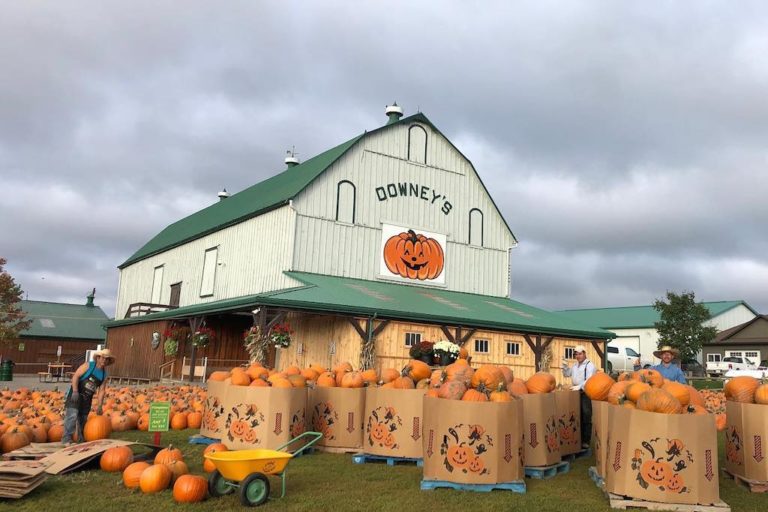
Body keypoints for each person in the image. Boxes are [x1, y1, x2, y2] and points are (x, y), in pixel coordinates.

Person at [61, 349, 115, 444]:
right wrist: (75, 391)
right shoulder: (88, 366)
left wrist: (99, 406)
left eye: (107, 359)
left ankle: (81, 440)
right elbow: (76, 376)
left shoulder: (104, 375)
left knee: (83, 419)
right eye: (103, 358)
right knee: (72, 416)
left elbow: (101, 390)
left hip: (87, 398)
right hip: (76, 394)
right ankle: (66, 439)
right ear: (98, 358)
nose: (104, 361)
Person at [561, 345, 596, 449]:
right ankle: (578, 440)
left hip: (585, 392)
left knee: (586, 415)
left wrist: (579, 386)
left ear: (584, 353)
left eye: (580, 354)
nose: (578, 356)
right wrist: (565, 367)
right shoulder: (575, 365)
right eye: (576, 354)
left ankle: (586, 441)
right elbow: (567, 374)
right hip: (575, 392)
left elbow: (589, 380)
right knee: (576, 416)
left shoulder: (590, 365)